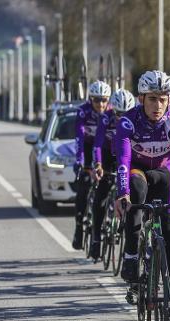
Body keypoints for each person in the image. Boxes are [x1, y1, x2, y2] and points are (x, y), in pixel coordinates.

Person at [114, 70, 170, 321]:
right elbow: (123, 160)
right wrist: (122, 194)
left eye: (163, 99)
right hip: (138, 171)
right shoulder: (129, 122)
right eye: (152, 99)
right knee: (137, 187)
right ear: (141, 98)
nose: (158, 105)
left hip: (164, 176)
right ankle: (131, 253)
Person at [89, 89, 136, 260]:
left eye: (126, 114)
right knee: (101, 195)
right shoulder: (105, 118)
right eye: (118, 114)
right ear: (112, 110)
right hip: (108, 155)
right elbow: (98, 144)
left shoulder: (137, 118)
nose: (121, 117)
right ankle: (96, 239)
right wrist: (99, 164)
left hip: (128, 157)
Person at [72, 80, 111, 250]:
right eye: (96, 100)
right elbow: (79, 138)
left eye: (104, 100)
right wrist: (80, 160)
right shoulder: (84, 112)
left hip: (104, 148)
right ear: (90, 99)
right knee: (84, 185)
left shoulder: (112, 112)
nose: (100, 104)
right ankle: (79, 226)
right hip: (87, 147)